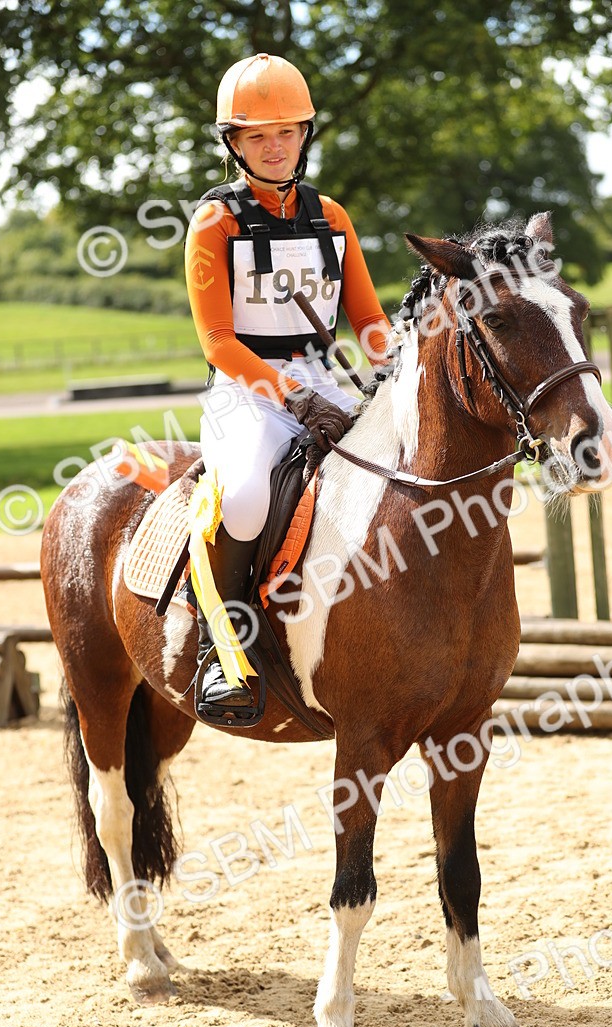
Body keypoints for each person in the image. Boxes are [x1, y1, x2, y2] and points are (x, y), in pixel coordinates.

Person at [185, 52, 392, 724]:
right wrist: (289, 394)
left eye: (287, 133)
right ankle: (225, 652)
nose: (275, 148)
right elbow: (217, 340)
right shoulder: (215, 224)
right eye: (257, 137)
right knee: (243, 498)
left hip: (324, 379)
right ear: (234, 144)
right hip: (244, 391)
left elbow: (367, 320)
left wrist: (394, 367)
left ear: (305, 135)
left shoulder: (331, 216)